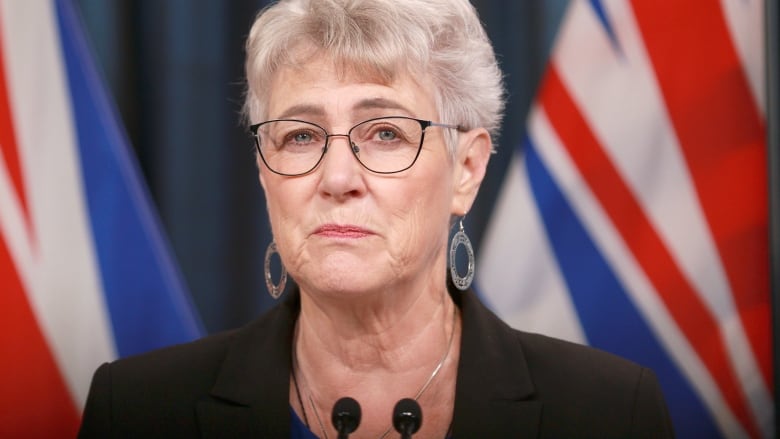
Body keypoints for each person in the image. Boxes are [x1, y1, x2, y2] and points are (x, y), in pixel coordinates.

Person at [78, 0, 674, 437]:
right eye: (301, 135)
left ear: (466, 170)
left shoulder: (608, 413)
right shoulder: (137, 411)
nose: (337, 179)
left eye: (386, 133)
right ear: (264, 173)